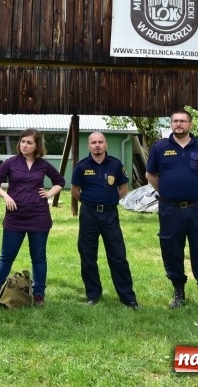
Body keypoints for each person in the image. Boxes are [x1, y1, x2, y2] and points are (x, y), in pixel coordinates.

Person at [146, 109, 198, 315]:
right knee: (172, 251)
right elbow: (150, 174)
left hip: (197, 208)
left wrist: (192, 191)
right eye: (175, 121)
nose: (178, 124)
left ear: (190, 124)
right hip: (170, 210)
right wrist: (167, 192)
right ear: (171, 124)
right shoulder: (160, 147)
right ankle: (178, 294)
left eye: (183, 121)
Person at [0, 128, 65, 307]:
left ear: (37, 146)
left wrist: (49, 193)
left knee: (39, 258)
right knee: (6, 257)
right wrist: (5, 196)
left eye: (29, 142)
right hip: (15, 218)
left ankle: (39, 295)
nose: (24, 145)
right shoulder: (11, 163)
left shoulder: (43, 165)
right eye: (22, 141)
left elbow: (60, 181)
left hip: (39, 217)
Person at [71, 132, 138, 309]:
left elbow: (123, 188)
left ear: (106, 145)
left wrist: (110, 201)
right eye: (94, 142)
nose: (97, 145)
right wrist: (89, 202)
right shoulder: (82, 166)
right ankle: (93, 295)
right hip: (89, 215)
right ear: (89, 146)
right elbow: (75, 190)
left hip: (110, 215)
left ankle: (128, 298)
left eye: (100, 142)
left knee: (118, 256)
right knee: (88, 256)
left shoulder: (115, 164)